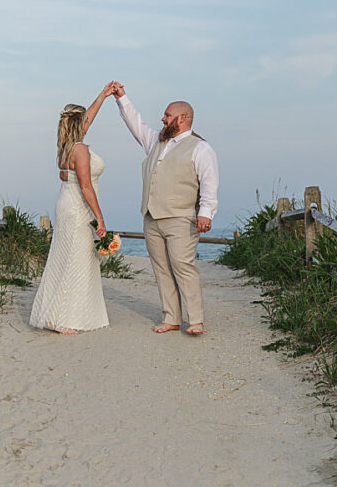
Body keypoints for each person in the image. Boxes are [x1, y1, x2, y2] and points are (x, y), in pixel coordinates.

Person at [110, 81, 219, 336]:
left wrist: (206, 213)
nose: (162, 119)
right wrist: (122, 98)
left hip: (181, 218)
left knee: (183, 266)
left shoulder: (201, 148)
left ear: (182, 118)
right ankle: (171, 317)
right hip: (151, 216)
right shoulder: (155, 142)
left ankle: (195, 320)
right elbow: (135, 123)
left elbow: (209, 182)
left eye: (167, 115)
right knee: (161, 268)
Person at [29, 82, 117, 335]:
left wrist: (103, 95)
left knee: (63, 256)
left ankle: (57, 314)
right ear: (80, 125)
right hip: (78, 207)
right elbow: (86, 187)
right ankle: (63, 318)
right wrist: (100, 219)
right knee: (74, 260)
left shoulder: (66, 146)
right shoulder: (80, 150)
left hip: (65, 203)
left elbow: (88, 117)